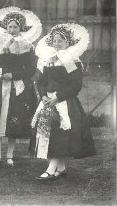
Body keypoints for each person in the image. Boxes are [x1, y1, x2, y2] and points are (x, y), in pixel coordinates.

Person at [0, 7, 42, 170]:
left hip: (17, 86)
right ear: (5, 27)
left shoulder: (27, 46)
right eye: (9, 27)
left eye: (15, 27)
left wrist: (13, 75)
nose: (12, 30)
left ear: (21, 28)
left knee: (14, 120)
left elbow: (31, 69)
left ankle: (10, 155)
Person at [30, 23, 96, 180]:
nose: (57, 43)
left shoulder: (73, 61)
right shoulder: (48, 60)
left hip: (64, 101)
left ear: (68, 43)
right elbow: (41, 82)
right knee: (48, 132)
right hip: (48, 101)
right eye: (54, 40)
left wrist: (58, 98)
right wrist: (44, 95)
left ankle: (51, 169)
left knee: (59, 134)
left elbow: (75, 85)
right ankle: (61, 168)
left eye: (61, 41)